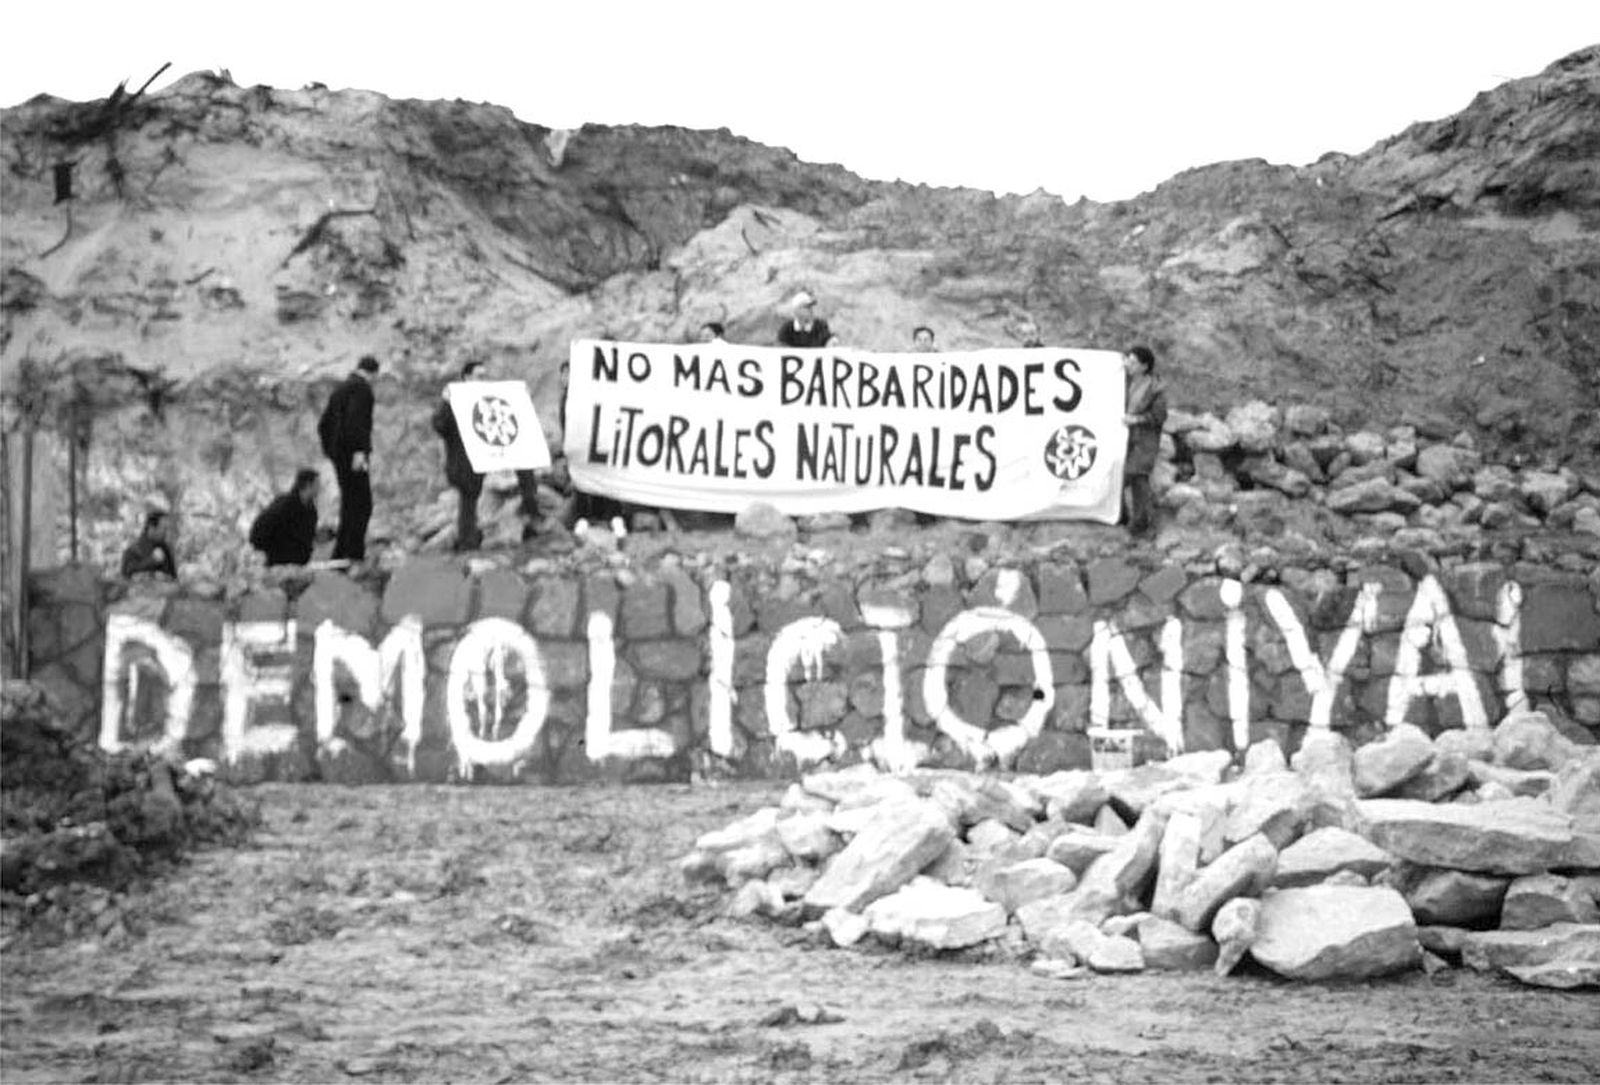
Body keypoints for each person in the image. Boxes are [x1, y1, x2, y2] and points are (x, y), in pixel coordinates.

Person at [433, 359, 544, 548]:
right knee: (468, 500)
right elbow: (440, 425)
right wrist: (446, 401)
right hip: (464, 461)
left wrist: (521, 398)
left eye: (485, 376)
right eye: (479, 376)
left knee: (525, 472)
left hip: (491, 452)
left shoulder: (490, 396)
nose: (483, 380)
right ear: (466, 378)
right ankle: (467, 541)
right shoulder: (456, 399)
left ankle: (532, 518)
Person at [317, 355, 378, 562]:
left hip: (340, 456)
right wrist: (359, 451)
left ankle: (341, 553)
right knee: (362, 504)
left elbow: (323, 424)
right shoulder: (362, 389)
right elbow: (356, 421)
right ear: (373, 374)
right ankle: (354, 552)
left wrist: (332, 453)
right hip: (354, 457)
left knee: (348, 503)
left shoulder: (340, 389)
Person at [1121, 344, 1169, 537]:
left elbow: (1159, 416)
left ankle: (1142, 523)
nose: (1128, 365)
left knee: (1138, 476)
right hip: (1127, 438)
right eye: (1128, 361)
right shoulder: (1125, 382)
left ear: (1144, 366)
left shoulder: (1154, 388)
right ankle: (1126, 516)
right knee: (1125, 476)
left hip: (1145, 440)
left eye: (1133, 362)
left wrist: (1137, 419)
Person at [249, 468, 320, 566]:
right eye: (317, 484)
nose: (319, 488)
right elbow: (260, 529)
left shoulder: (311, 512)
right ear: (308, 485)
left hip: (298, 565)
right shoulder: (284, 505)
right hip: (277, 563)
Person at [120, 509, 177, 579]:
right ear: (152, 528)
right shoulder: (131, 552)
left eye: (168, 529)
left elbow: (173, 578)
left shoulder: (165, 549)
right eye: (164, 529)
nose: (167, 533)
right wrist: (151, 561)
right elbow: (126, 578)